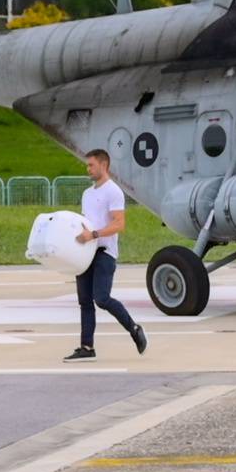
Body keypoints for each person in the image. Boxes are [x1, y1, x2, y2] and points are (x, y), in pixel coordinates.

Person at [64, 149, 148, 362]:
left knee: (101, 298)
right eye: (87, 165)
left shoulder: (113, 192)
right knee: (84, 301)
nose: (88, 169)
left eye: (91, 165)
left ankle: (134, 328)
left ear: (104, 165)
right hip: (86, 254)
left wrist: (93, 235)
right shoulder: (87, 194)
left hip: (104, 253)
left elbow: (119, 224)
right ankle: (86, 347)